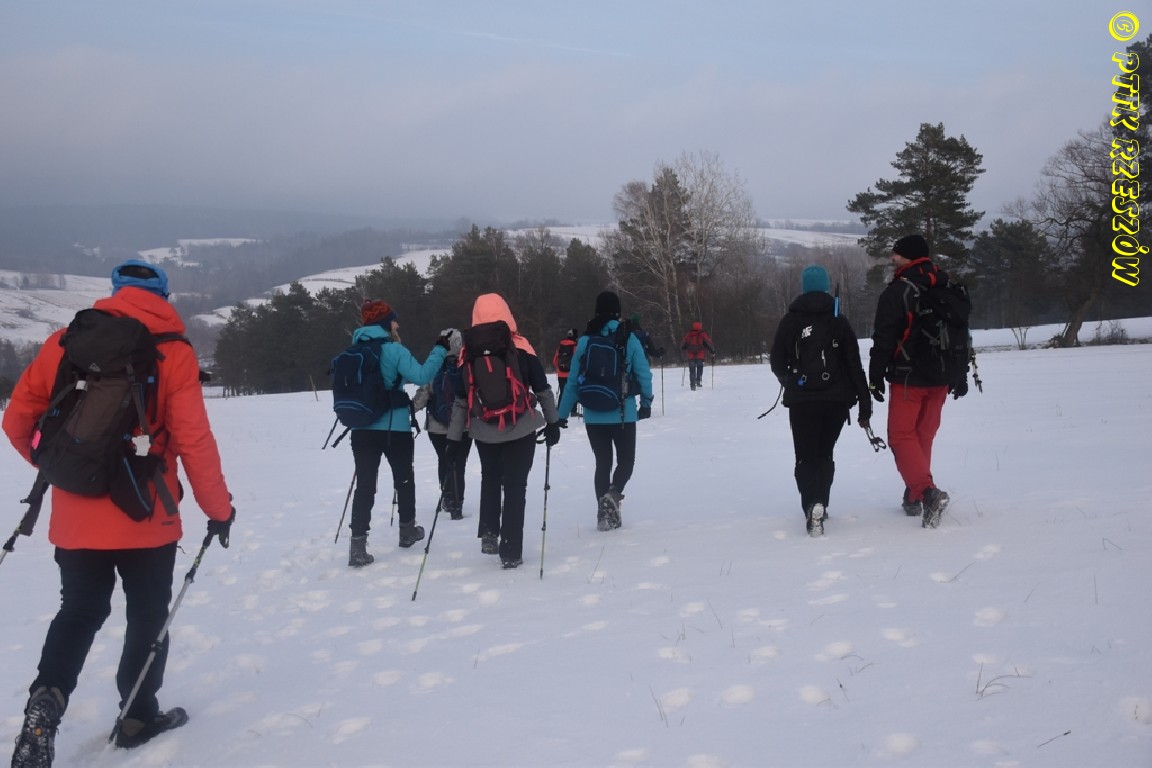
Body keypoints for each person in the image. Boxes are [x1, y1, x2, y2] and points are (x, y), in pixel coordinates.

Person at [2, 260, 235, 762]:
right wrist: (219, 509)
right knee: (147, 615)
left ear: (113, 292)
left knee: (78, 612)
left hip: (76, 513)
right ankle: (137, 716)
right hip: (147, 514)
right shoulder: (174, 352)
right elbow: (194, 440)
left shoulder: (65, 343)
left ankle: (46, 703)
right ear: (164, 297)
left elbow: (17, 420)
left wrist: (62, 467)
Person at [445, 293, 561, 570]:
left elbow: (461, 400)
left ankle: (489, 532)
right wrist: (553, 423)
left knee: (490, 477)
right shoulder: (520, 346)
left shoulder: (467, 353)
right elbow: (542, 388)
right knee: (515, 486)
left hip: (484, 430)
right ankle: (510, 551)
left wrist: (453, 438)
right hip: (521, 426)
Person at [868, 234, 967, 528]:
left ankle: (926, 493)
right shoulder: (947, 284)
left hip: (908, 377)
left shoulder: (899, 290)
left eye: (896, 254)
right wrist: (960, 373)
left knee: (900, 437)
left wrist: (875, 375)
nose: (892, 258)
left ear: (909, 257)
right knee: (922, 435)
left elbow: (884, 337)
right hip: (942, 376)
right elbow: (962, 332)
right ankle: (915, 495)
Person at [769, 265, 871, 536]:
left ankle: (811, 504)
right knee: (825, 453)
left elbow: (777, 361)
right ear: (826, 286)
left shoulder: (791, 320)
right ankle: (821, 504)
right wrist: (865, 403)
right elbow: (854, 365)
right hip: (836, 401)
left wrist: (789, 380)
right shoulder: (839, 319)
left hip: (802, 401)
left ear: (803, 287)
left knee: (805, 457)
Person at [346, 299, 449, 566]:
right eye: (393, 320)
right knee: (403, 479)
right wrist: (440, 349)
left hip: (361, 428)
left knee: (365, 485)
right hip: (395, 427)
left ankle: (357, 545)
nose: (397, 324)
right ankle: (407, 530)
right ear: (384, 323)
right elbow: (422, 375)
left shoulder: (353, 350)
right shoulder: (393, 349)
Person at [557, 291, 654, 531]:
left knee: (602, 463)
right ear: (617, 311)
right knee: (626, 461)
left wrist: (561, 414)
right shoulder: (628, 338)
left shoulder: (585, 341)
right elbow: (643, 373)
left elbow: (572, 383)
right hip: (623, 413)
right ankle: (613, 494)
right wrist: (646, 402)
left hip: (593, 413)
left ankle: (603, 515)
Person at [412, 329, 472, 520]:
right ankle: (457, 503)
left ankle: (447, 497)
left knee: (444, 460)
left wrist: (408, 411)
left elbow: (423, 395)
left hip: (437, 427)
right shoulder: (468, 363)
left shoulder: (434, 364)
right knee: (459, 464)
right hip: (463, 425)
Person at [680, 321, 715, 390]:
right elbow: (709, 342)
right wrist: (712, 351)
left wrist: (685, 348)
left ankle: (692, 385)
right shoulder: (702, 334)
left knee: (692, 370)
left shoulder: (689, 334)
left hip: (690, 355)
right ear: (700, 327)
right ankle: (698, 380)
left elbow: (682, 344)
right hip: (700, 355)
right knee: (700, 368)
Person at [552, 328, 579, 417]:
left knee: (563, 392)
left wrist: (559, 369)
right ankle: (573, 411)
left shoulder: (561, 346)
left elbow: (555, 361)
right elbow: (577, 360)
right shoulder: (575, 346)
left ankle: (560, 410)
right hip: (572, 374)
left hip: (561, 374)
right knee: (573, 391)